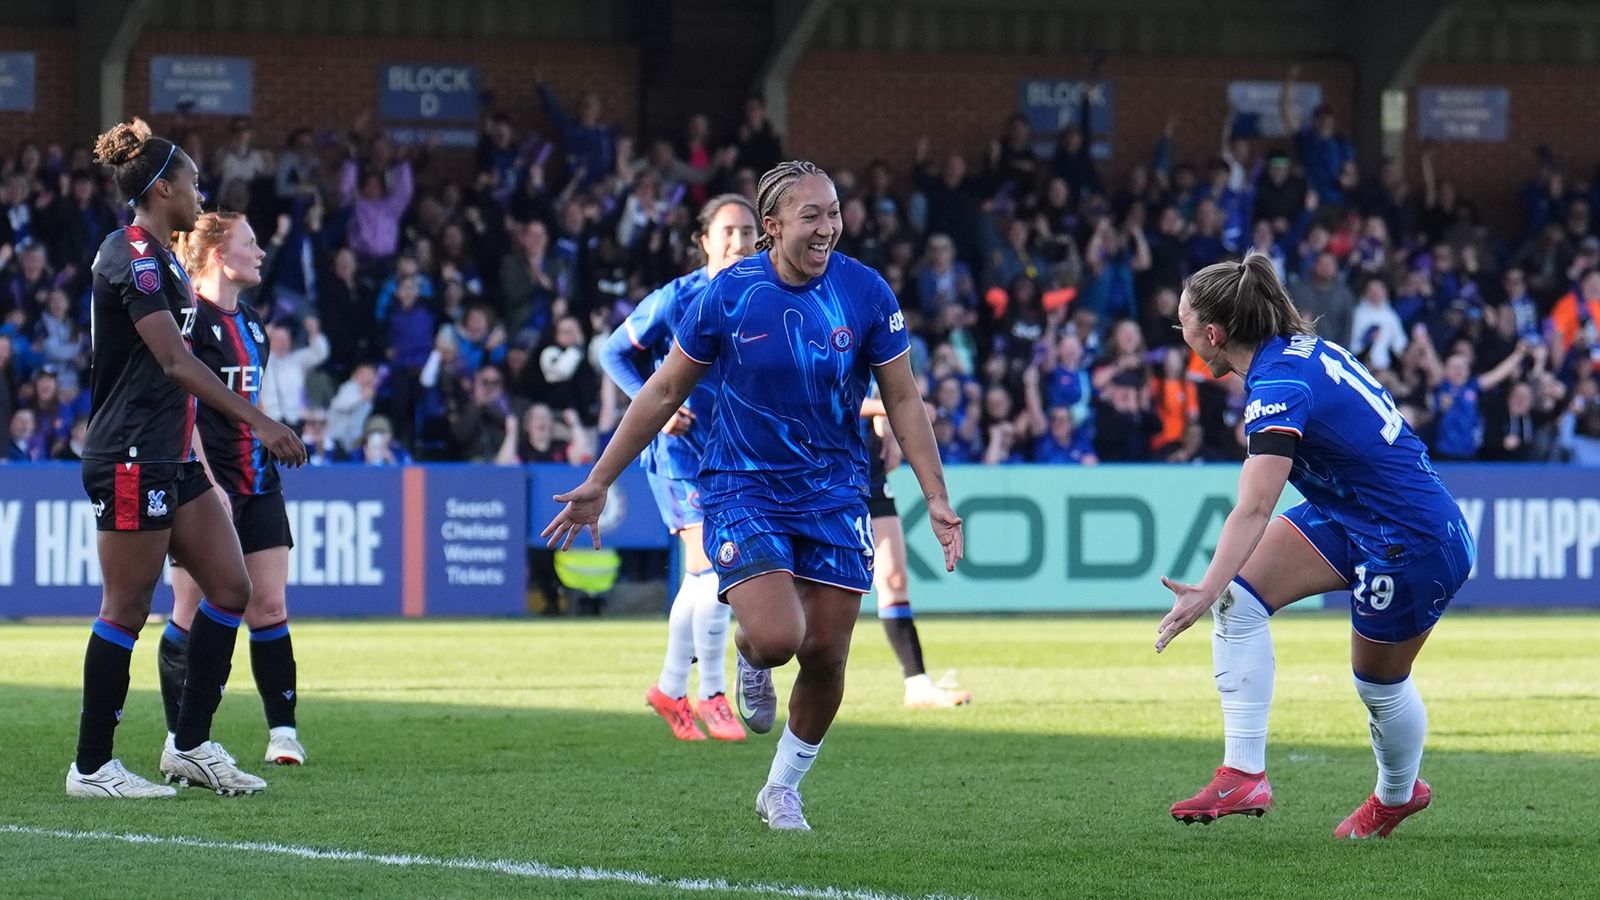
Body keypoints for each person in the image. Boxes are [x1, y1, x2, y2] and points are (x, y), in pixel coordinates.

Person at [546, 161, 963, 832]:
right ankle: (747, 658)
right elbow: (661, 389)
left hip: (833, 491)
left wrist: (935, 493)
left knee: (827, 654)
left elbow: (903, 397)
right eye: (812, 216)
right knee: (776, 639)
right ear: (772, 228)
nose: (829, 227)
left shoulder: (866, 291)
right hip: (742, 484)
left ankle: (782, 789)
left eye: (833, 212)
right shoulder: (727, 294)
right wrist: (600, 478)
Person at [1158, 253, 1472, 839]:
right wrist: (1219, 587)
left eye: (1182, 323)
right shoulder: (1293, 355)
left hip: (1412, 541)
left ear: (1214, 334)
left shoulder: (1278, 384)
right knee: (1241, 600)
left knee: (1378, 685)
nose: (1180, 335)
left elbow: (1255, 505)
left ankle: (1396, 796)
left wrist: (1204, 588)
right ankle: (1242, 772)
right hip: (1354, 515)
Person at [69, 118, 306, 799]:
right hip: (131, 453)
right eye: (193, 180)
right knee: (126, 609)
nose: (200, 190)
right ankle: (91, 766)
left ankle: (191, 745)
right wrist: (260, 422)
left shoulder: (167, 258)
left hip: (172, 456)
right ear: (163, 187)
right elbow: (174, 360)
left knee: (232, 590)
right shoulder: (132, 253)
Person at [597, 194, 759, 742]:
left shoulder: (764, 297)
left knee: (702, 576)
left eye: (748, 231)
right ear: (705, 240)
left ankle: (670, 687)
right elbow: (614, 352)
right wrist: (654, 405)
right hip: (679, 456)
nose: (740, 241)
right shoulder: (677, 297)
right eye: (729, 231)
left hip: (734, 453)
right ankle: (712, 693)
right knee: (717, 569)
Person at [159, 211, 306, 769]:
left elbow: (252, 401)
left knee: (269, 605)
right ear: (220, 253)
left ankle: (284, 732)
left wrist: (273, 437)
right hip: (201, 489)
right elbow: (183, 407)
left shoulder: (252, 324)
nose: (260, 252)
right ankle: (183, 739)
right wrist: (207, 482)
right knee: (190, 610)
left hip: (258, 484)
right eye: (250, 242)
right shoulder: (185, 320)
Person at [859, 397, 973, 707]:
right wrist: (888, 408)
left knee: (895, 578)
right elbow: (828, 396)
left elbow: (882, 383)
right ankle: (760, 662)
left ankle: (917, 684)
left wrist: (890, 430)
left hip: (868, 472)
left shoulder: (872, 349)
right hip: (819, 470)